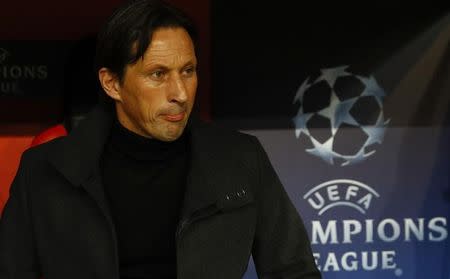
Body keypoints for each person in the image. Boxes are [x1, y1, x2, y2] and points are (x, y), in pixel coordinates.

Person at [0, 0, 321, 278]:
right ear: (112, 84)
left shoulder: (241, 159)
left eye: (188, 71)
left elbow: (293, 271)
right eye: (158, 74)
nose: (180, 93)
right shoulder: (44, 170)